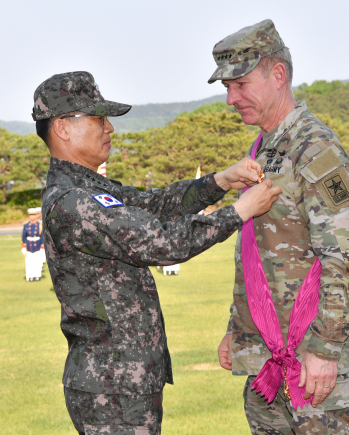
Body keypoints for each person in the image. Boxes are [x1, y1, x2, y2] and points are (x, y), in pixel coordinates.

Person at [33, 71, 281, 435]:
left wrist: (221, 181)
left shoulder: (89, 187)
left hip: (123, 378)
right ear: (63, 128)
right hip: (111, 385)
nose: (110, 129)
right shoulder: (73, 201)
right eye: (99, 119)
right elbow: (162, 242)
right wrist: (240, 211)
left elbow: (153, 204)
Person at [210, 20, 349, 435]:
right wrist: (237, 329)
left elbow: (344, 259)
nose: (230, 98)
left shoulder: (314, 148)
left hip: (309, 362)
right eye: (226, 87)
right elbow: (257, 252)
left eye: (240, 84)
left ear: (277, 75)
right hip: (263, 359)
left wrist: (326, 350)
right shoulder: (264, 146)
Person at [22, 208, 43, 282]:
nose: (32, 217)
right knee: (29, 262)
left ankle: (37, 275)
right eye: (31, 215)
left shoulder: (39, 225)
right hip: (29, 245)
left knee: (37, 261)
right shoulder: (26, 225)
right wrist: (23, 246)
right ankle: (30, 276)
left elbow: (42, 236)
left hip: (37, 245)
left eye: (34, 215)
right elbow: (24, 237)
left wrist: (42, 246)